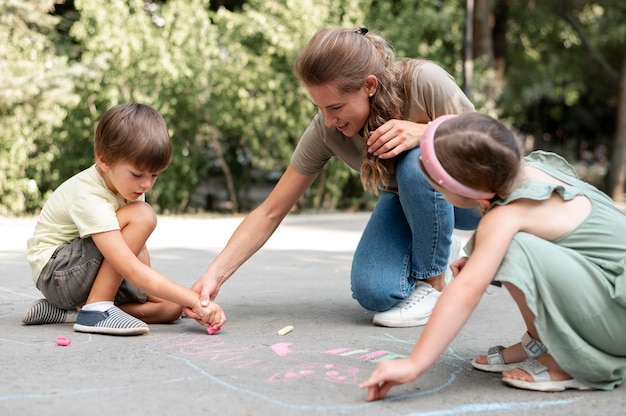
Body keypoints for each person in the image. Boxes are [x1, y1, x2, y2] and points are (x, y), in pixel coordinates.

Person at [186, 27, 480, 328]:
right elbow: (270, 211)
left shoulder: (422, 80)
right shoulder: (327, 131)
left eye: (336, 107)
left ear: (369, 85)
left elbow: (487, 136)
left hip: (471, 197)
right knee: (374, 291)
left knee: (416, 162)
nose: (328, 120)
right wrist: (213, 276)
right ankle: (438, 248)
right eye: (319, 107)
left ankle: (433, 284)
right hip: (408, 201)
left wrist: (426, 132)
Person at [360, 113, 626, 399]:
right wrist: (479, 256)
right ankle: (541, 341)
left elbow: (466, 290)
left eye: (437, 187)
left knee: (511, 246)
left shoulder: (504, 216)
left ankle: (570, 363)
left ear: (469, 192)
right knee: (501, 245)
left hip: (617, 320)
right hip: (612, 293)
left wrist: (413, 364)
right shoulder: (530, 169)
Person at [23, 103, 226, 336]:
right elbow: (130, 267)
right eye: (138, 174)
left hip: (81, 272)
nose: (147, 184)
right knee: (143, 214)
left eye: (154, 175)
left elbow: (136, 249)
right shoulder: (90, 196)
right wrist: (197, 300)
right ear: (104, 160)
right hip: (56, 273)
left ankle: (73, 312)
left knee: (170, 307)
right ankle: (97, 308)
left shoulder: (128, 185)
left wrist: (185, 303)